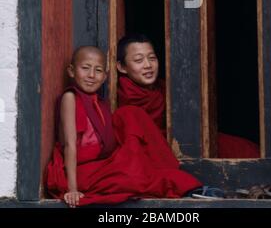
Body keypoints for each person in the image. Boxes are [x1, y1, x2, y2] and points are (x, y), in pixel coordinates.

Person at [45, 46, 202, 207]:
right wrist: (72, 189)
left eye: (98, 70)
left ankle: (185, 185)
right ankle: (187, 188)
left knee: (137, 158)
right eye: (85, 68)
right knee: (133, 176)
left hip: (100, 166)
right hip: (80, 172)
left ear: (105, 76)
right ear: (71, 71)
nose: (91, 75)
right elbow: (70, 145)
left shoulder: (100, 102)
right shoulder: (70, 97)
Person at [117, 34, 260, 159]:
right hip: (161, 153)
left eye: (152, 58)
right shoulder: (122, 97)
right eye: (138, 60)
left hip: (188, 141)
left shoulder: (167, 88)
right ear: (122, 67)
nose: (148, 65)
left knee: (244, 149)